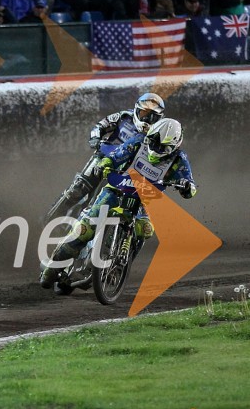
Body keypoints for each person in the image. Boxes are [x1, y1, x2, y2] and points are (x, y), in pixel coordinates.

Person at [40, 117, 197, 289]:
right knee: (85, 227)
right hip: (117, 188)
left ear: (174, 145)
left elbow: (189, 183)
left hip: (146, 200)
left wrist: (187, 187)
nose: (155, 148)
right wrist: (105, 163)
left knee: (145, 229)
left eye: (162, 146)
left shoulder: (179, 159)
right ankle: (53, 267)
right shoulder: (138, 142)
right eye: (153, 141)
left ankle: (118, 266)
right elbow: (116, 155)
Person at [46, 93, 166, 222]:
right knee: (78, 188)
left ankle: (83, 229)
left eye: (152, 117)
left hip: (125, 170)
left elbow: (162, 154)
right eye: (144, 113)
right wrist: (95, 139)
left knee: (101, 200)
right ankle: (49, 220)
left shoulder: (159, 133)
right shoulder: (124, 116)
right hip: (103, 157)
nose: (147, 119)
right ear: (137, 110)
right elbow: (101, 125)